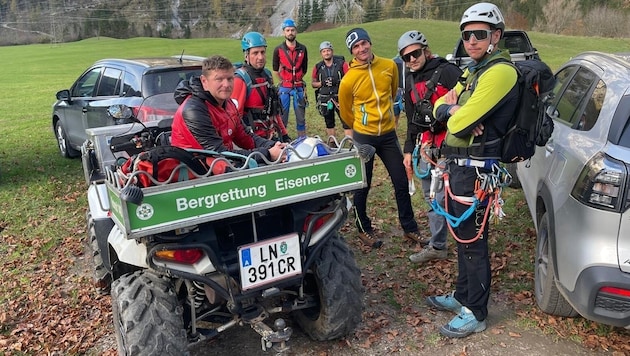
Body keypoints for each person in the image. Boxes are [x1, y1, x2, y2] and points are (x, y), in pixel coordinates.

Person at [427, 2, 519, 338]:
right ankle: (463, 296)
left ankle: (476, 311)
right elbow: (441, 107)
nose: (471, 41)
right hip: (461, 167)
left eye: (479, 34)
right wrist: (455, 109)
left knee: (473, 241)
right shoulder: (474, 70)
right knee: (462, 238)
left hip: (477, 170)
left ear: (496, 35)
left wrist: (457, 114)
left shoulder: (499, 72)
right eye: (466, 35)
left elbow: (459, 121)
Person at [338, 27, 424, 249]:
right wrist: (358, 130)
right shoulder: (348, 80)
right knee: (362, 186)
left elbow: (393, 91)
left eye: (364, 43)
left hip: (387, 135)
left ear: (370, 42)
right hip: (363, 138)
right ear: (352, 51)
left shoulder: (389, 66)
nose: (361, 48)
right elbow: (346, 112)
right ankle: (363, 229)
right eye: (356, 46)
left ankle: (410, 227)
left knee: (401, 181)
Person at [397, 30, 463, 264]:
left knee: (455, 196)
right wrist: (407, 150)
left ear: (425, 50)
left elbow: (469, 101)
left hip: (452, 145)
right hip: (427, 147)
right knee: (433, 197)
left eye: (415, 53)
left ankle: (466, 244)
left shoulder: (447, 71)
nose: (412, 60)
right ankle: (438, 245)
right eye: (406, 57)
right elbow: (412, 119)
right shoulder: (410, 80)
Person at [171, 55, 286, 163]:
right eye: (219, 79)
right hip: (194, 174)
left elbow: (245, 137)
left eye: (230, 79)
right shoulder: (194, 110)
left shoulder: (227, 102)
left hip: (219, 169)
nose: (226, 84)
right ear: (204, 82)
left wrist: (275, 145)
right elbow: (217, 153)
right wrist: (267, 154)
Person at [232, 31, 291, 143]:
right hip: (252, 140)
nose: (260, 57)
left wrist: (284, 133)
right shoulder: (240, 80)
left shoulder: (267, 75)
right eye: (255, 53)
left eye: (263, 52)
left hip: (269, 136)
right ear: (246, 55)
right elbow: (235, 118)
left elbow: (274, 110)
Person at [272, 18, 309, 137]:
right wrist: (284, 80)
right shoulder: (278, 49)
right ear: (284, 32)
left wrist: (297, 79)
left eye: (292, 30)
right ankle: (282, 141)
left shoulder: (303, 49)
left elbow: (304, 68)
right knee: (282, 117)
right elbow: (275, 69)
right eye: (287, 30)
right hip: (285, 87)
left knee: (301, 117)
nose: (290, 32)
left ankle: (302, 140)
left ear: (296, 31)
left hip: (298, 87)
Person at [311, 40, 351, 144]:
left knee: (346, 120)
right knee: (329, 122)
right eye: (324, 51)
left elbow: (350, 79)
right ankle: (332, 143)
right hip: (325, 98)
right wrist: (322, 83)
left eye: (328, 50)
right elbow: (313, 84)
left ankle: (351, 143)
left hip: (340, 97)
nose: (326, 53)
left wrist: (337, 81)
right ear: (321, 53)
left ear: (332, 51)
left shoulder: (342, 64)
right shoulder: (318, 67)